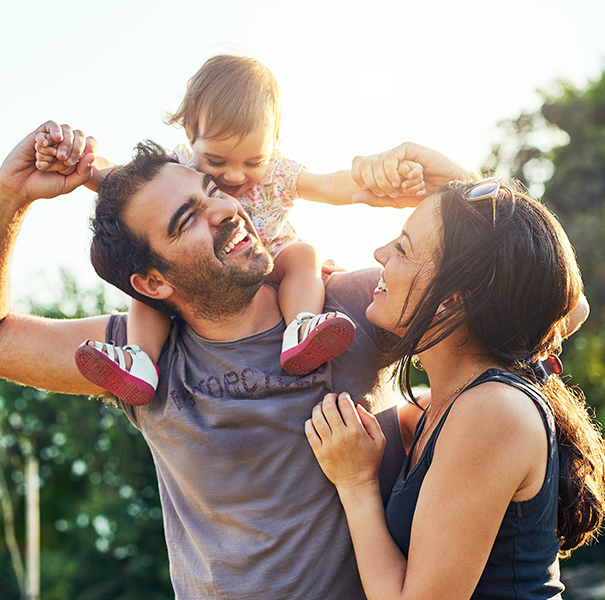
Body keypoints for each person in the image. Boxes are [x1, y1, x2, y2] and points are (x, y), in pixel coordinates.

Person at [0, 121, 451, 598]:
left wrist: (454, 180)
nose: (226, 209)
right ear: (153, 283)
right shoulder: (139, 361)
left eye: (213, 192)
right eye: (188, 220)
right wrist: (9, 195)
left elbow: (509, 287)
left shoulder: (354, 309)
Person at [33, 54, 424, 405]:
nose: (235, 175)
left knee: (304, 255)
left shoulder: (277, 173)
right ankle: (140, 359)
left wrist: (377, 181)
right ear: (189, 133)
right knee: (153, 289)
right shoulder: (178, 170)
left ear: (273, 143)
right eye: (216, 160)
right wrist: (73, 157)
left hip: (269, 259)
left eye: (253, 160)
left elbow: (327, 185)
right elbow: (113, 176)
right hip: (208, 272)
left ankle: (301, 326)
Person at [305, 167, 605, 598]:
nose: (379, 253)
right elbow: (554, 297)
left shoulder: (492, 412)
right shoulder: (441, 408)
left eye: (403, 248)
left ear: (451, 300)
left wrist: (356, 485)